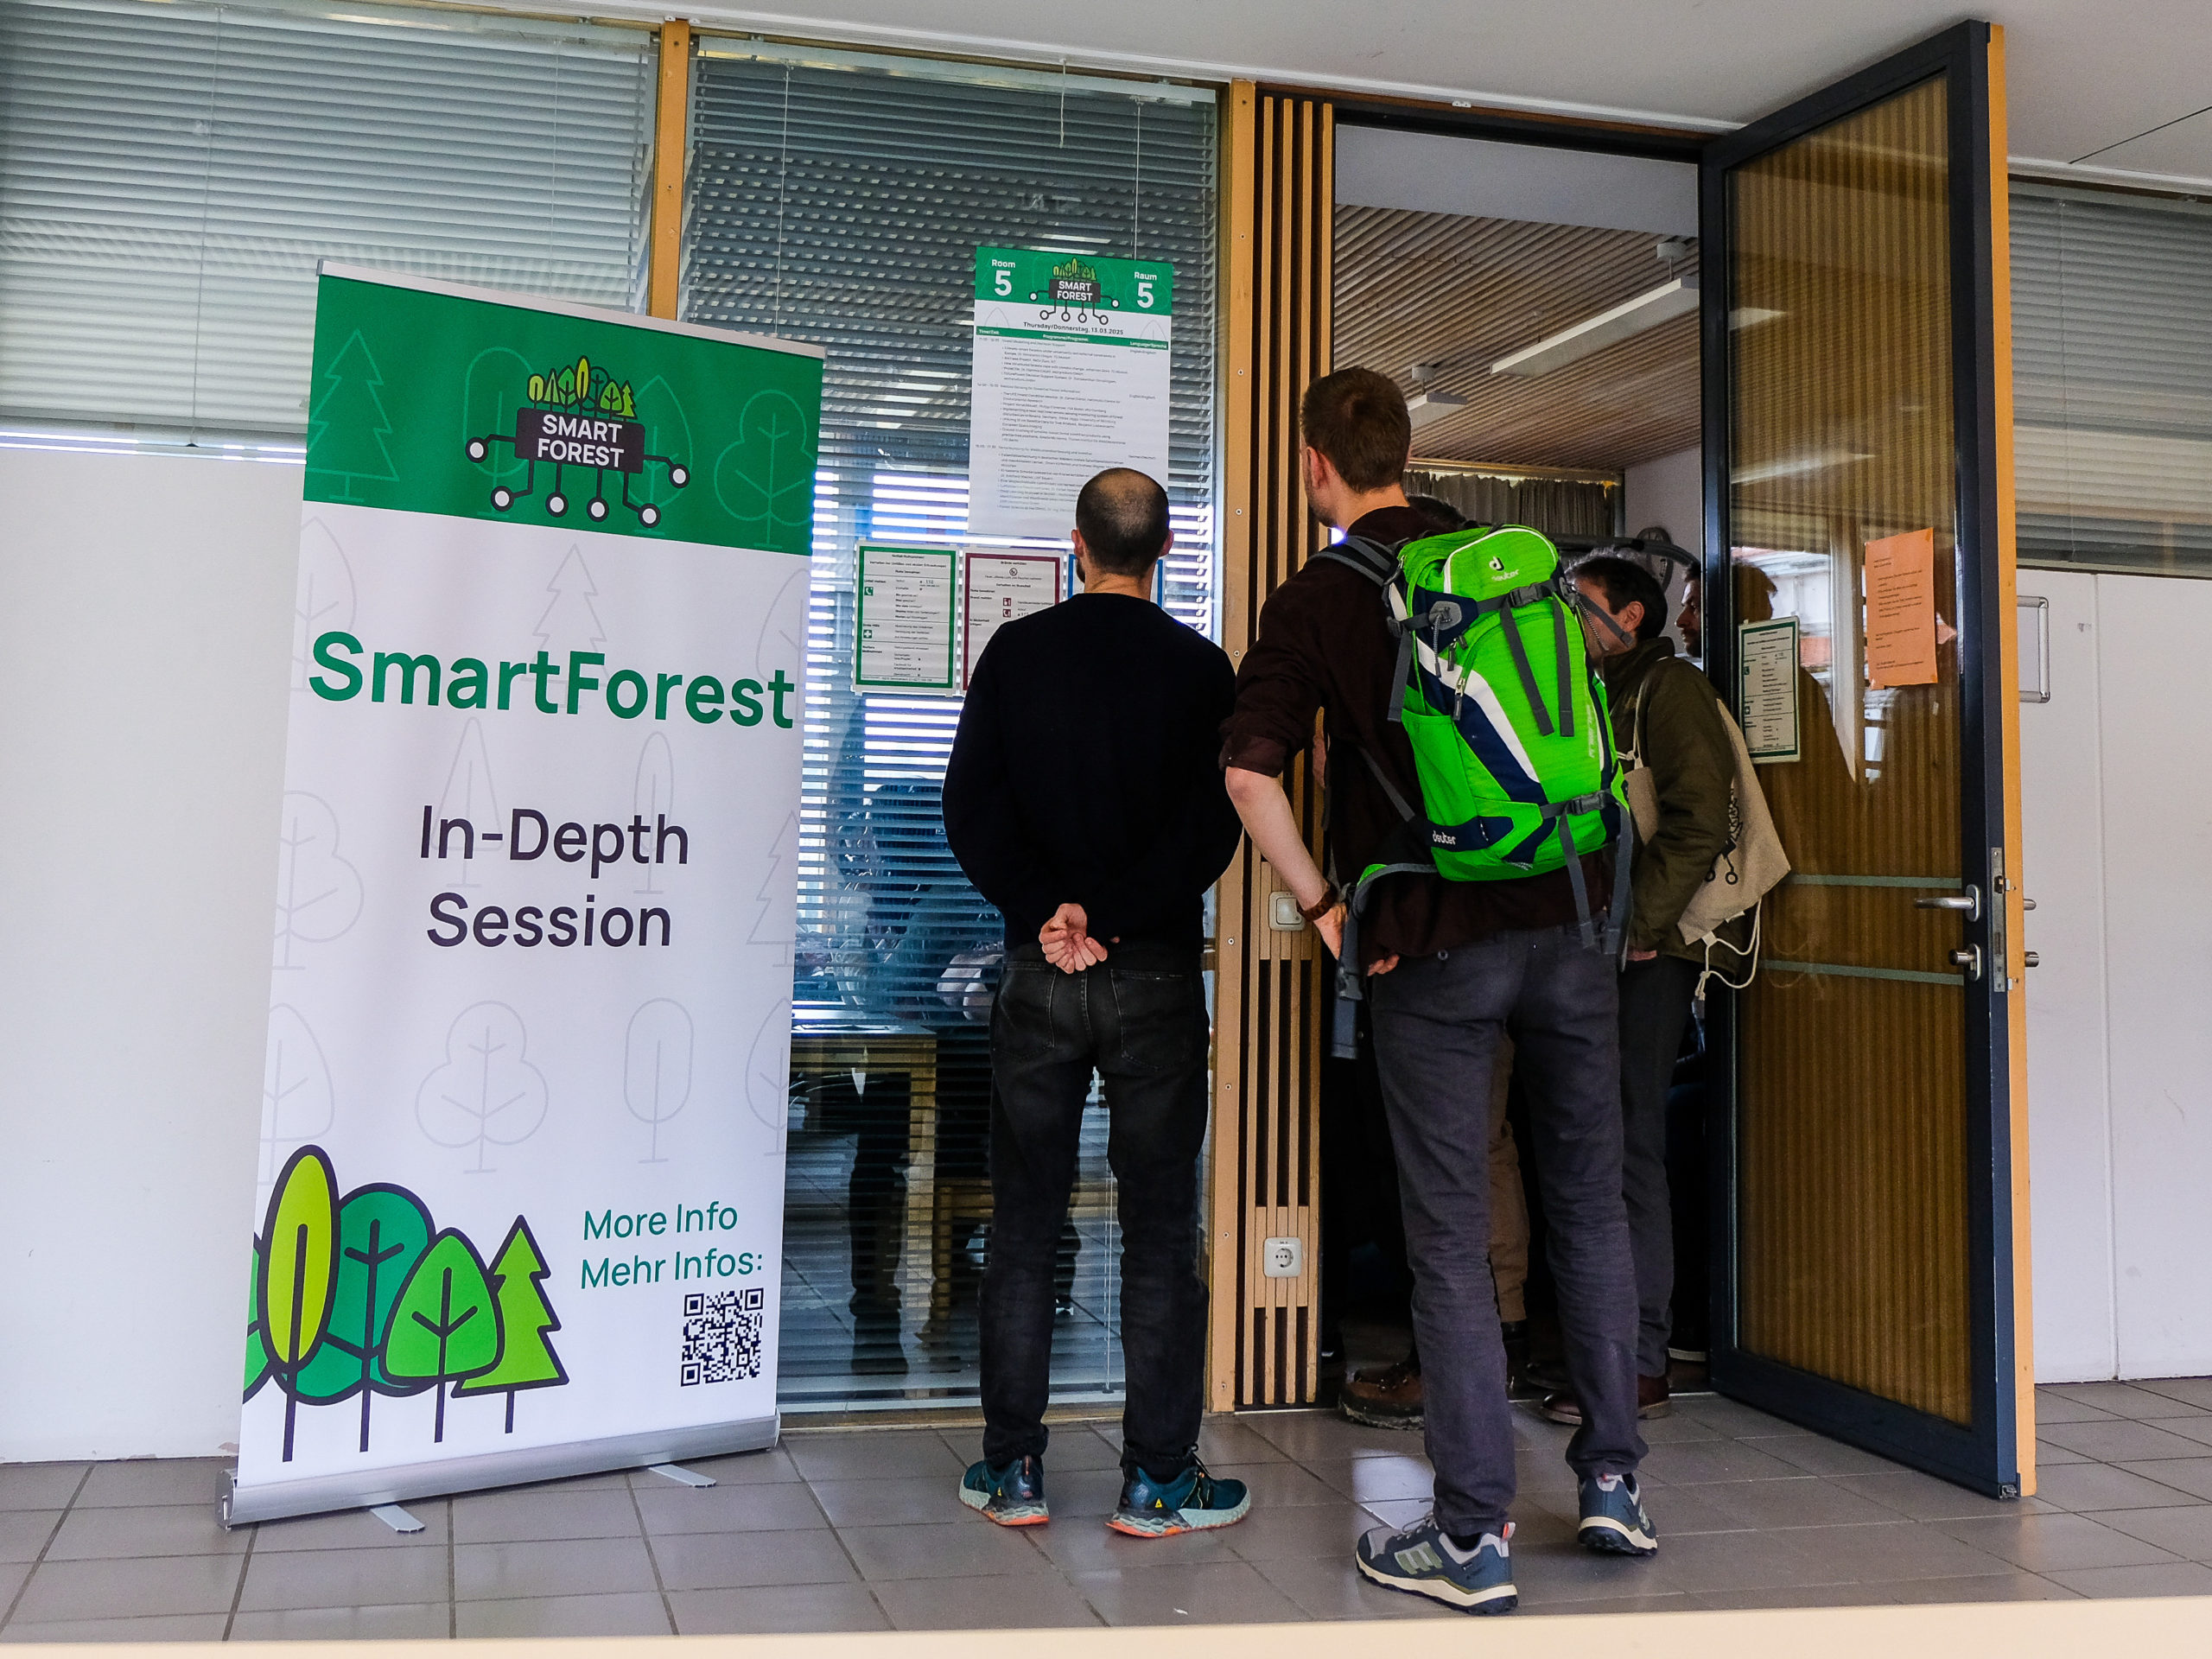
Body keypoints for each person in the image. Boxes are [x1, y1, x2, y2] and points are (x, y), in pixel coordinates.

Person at [1221, 367, 1651, 1616]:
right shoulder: (1514, 571)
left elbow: (1251, 777)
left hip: (1428, 946)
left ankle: (1470, 1537)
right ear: (1405, 451)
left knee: (1452, 1240)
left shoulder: (1317, 596)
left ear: (1316, 467)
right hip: (1570, 929)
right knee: (1589, 1201)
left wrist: (1325, 904)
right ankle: (1616, 1483)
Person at [943, 467, 1248, 1538]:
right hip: (1155, 978)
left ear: (1077, 544)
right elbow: (1213, 832)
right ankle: (1158, 1481)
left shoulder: (1017, 655)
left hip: (1039, 974)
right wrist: (1113, 916)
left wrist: (1049, 912)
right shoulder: (1202, 668)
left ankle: (1013, 1473)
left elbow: (968, 806)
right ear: (1160, 551)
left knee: (1024, 1222)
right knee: (1161, 1232)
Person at [1334, 493, 1532, 1432]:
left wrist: (1338, 914)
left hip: (1426, 933)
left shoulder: (1360, 603)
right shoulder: (1514, 609)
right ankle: (1605, 1451)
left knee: (1444, 1162)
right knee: (1509, 1152)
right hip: (1544, 925)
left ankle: (1461, 1368)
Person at [1538, 556, 1733, 1427]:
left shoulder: (1667, 689)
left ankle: (1640, 1361)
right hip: (1591, 950)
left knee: (1626, 1146)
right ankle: (1599, 1349)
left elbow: (1697, 822)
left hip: (1643, 956)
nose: (1561, 618)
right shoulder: (1587, 684)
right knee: (1591, 1145)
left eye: (1575, 604)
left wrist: (1639, 930)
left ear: (1628, 613)